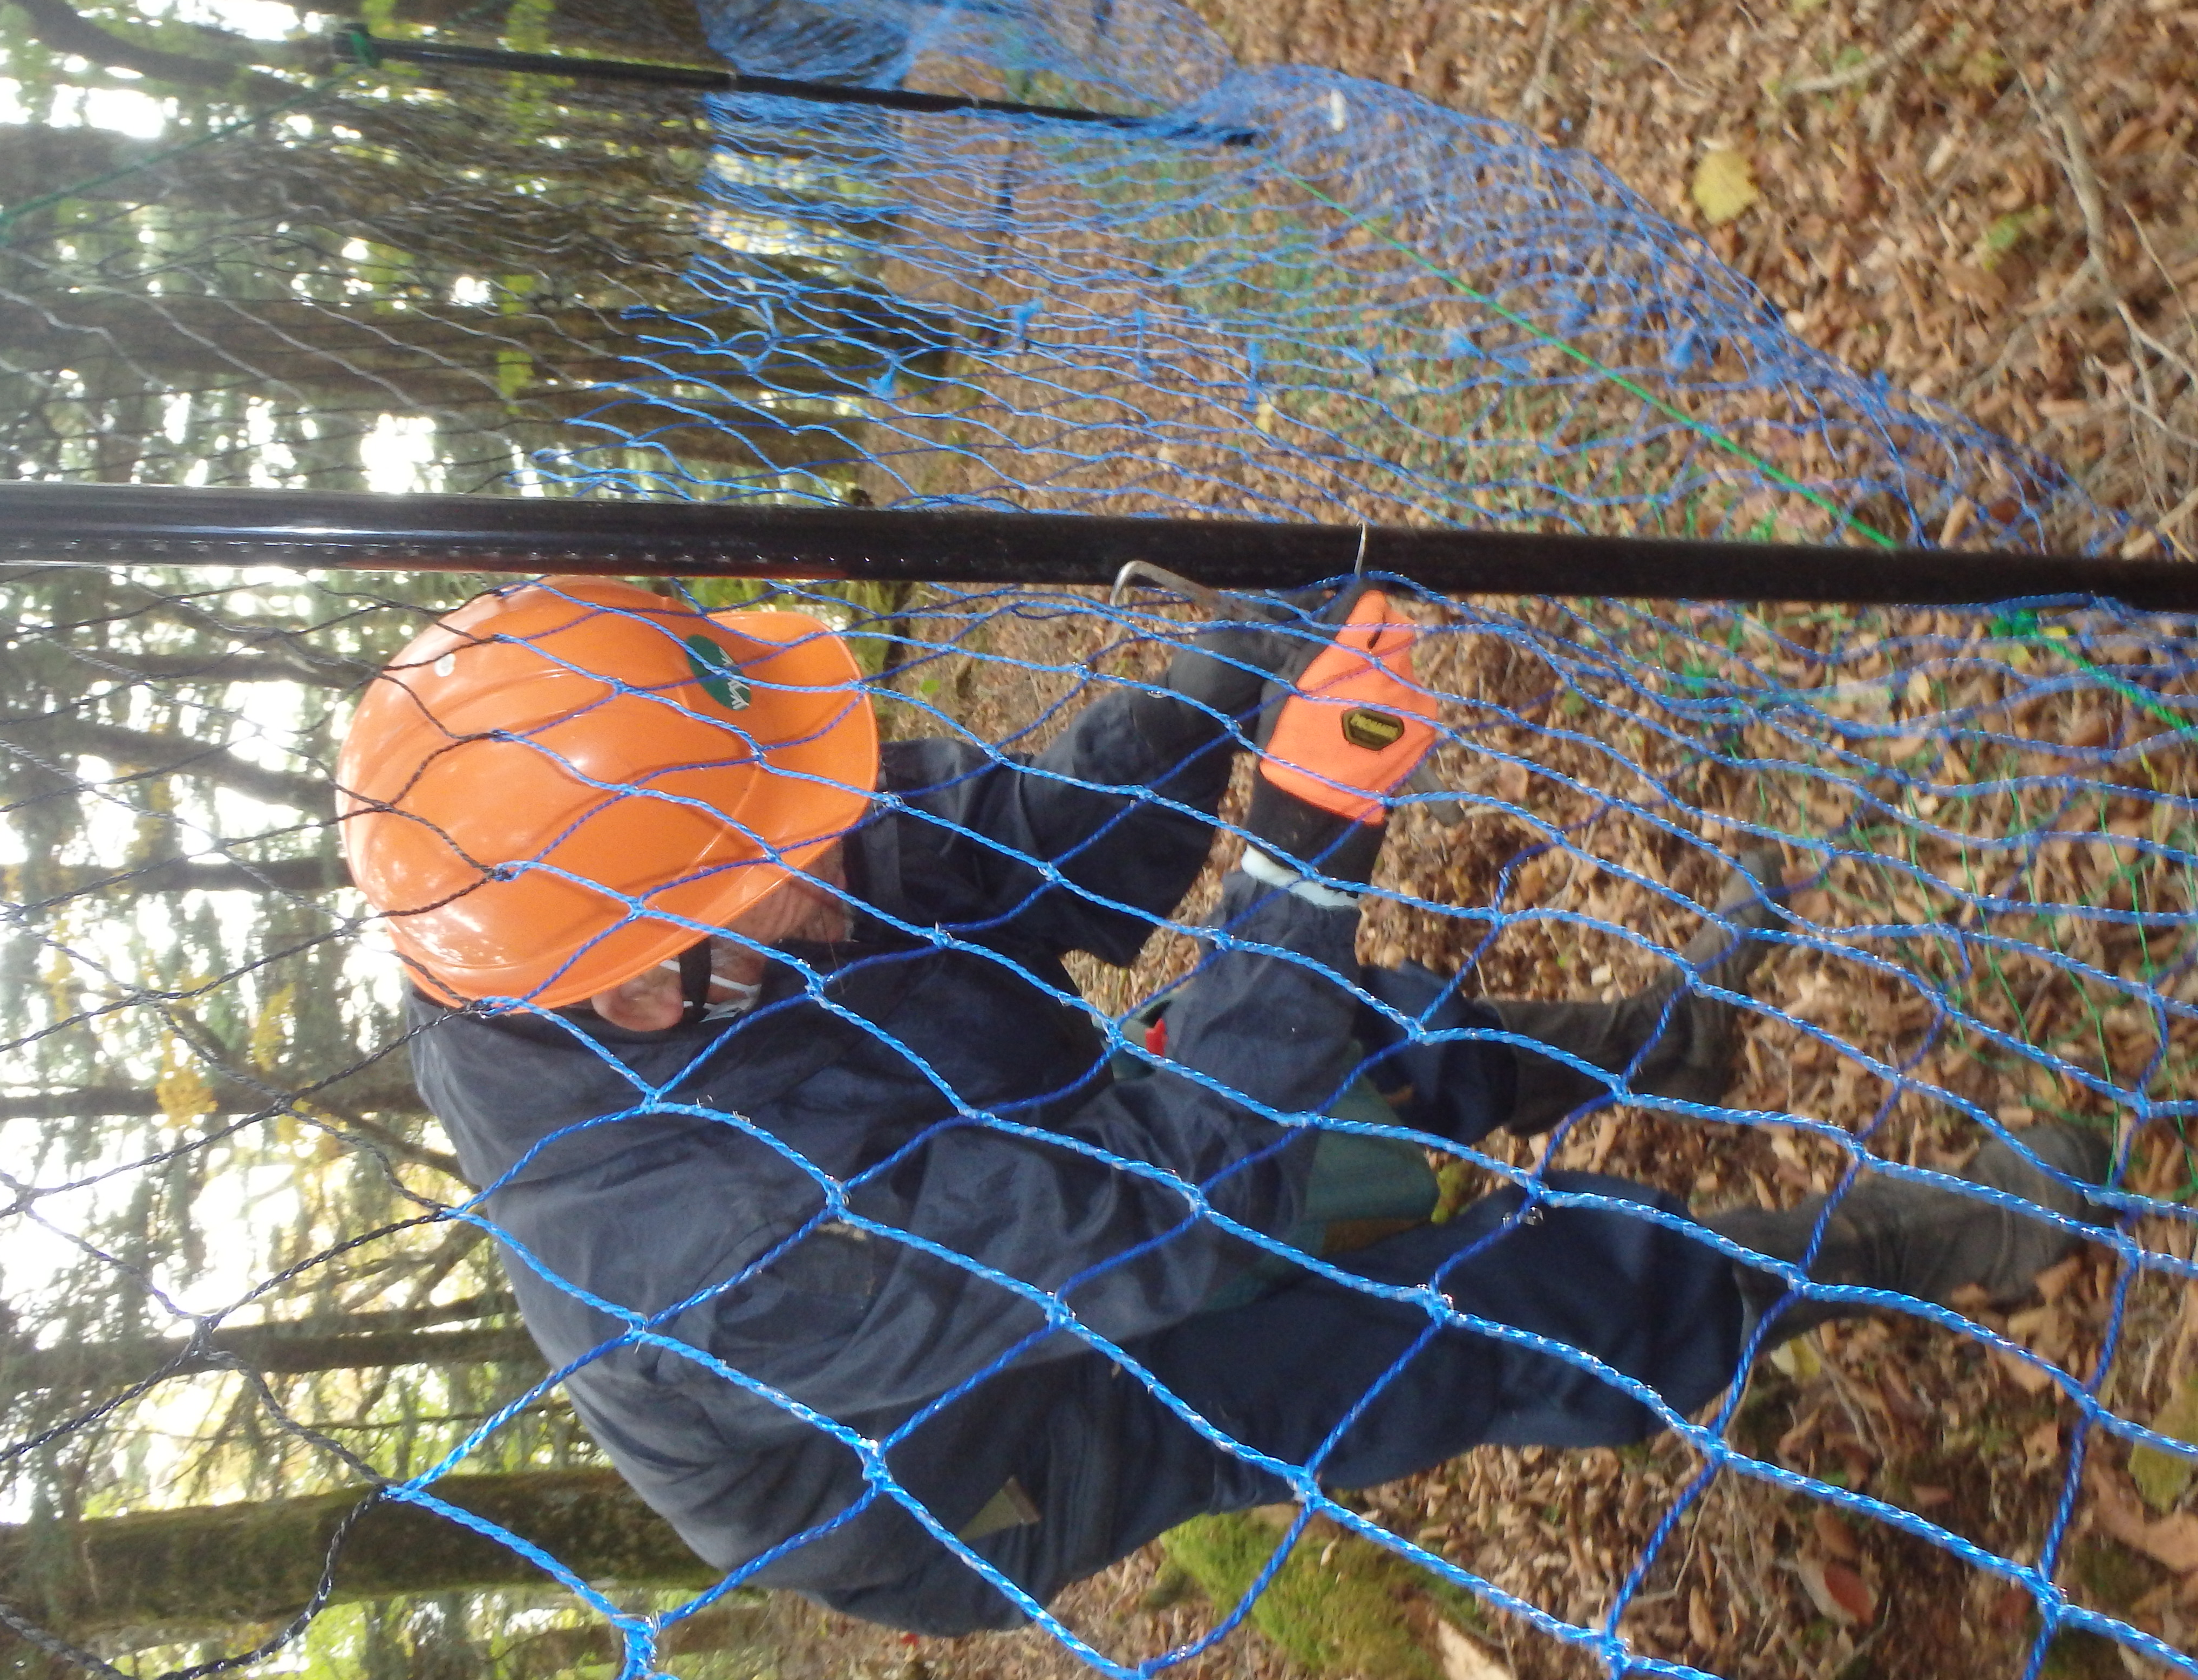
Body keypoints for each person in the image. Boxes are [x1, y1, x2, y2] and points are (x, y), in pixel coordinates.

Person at [336, 574, 2109, 1635]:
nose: (835, 848)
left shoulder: (665, 870)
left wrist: (1239, 678)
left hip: (1024, 1168)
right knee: (1458, 1316)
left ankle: (1672, 1046)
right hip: (974, 1454)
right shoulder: (707, 1254)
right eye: (783, 857)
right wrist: (1304, 849)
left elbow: (1019, 847)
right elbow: (1188, 1215)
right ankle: (1938, 1240)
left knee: (1366, 1044)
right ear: (644, 980)